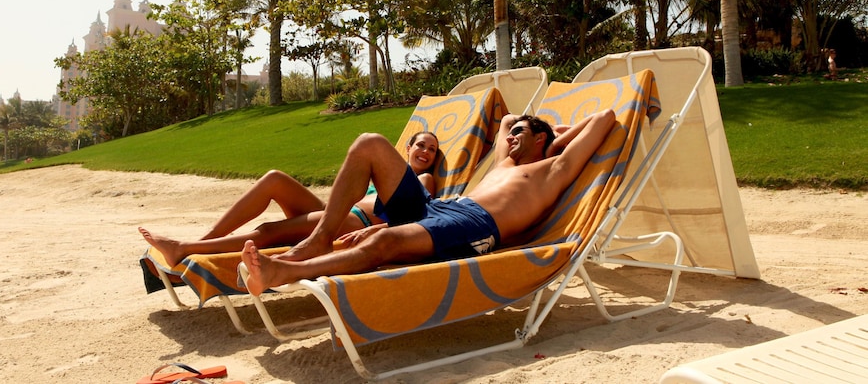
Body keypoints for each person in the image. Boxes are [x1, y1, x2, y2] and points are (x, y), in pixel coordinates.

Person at [241, 110, 616, 296]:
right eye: (513, 135)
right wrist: (524, 128)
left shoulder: (554, 168)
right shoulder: (506, 161)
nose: (512, 136)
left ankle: (282, 273)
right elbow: (506, 119)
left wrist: (556, 138)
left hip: (477, 224)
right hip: (442, 208)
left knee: (383, 245)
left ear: (541, 140)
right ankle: (320, 239)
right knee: (369, 143)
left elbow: (605, 117)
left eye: (522, 134)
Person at [139, 131, 439, 264]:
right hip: (335, 214)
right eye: (421, 145)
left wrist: (378, 228)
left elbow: (422, 218)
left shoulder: (422, 180)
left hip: (354, 223)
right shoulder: (383, 170)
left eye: (432, 150)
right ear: (408, 147)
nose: (426, 152)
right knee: (274, 179)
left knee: (271, 232)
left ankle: (186, 249)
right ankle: (208, 239)